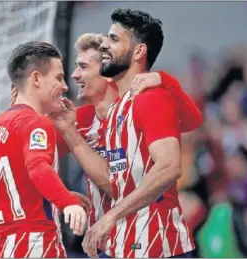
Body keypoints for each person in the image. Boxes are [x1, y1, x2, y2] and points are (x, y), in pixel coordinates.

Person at [52, 9, 200, 258]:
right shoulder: (118, 111)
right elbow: (114, 183)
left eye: (114, 39)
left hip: (155, 246)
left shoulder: (149, 98)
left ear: (139, 51)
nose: (105, 46)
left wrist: (166, 81)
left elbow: (170, 165)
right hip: (121, 245)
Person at [0, 41, 87, 258]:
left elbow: (19, 185)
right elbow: (38, 169)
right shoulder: (36, 123)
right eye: (58, 77)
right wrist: (68, 203)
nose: (65, 86)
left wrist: (58, 196)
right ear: (36, 79)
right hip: (35, 244)